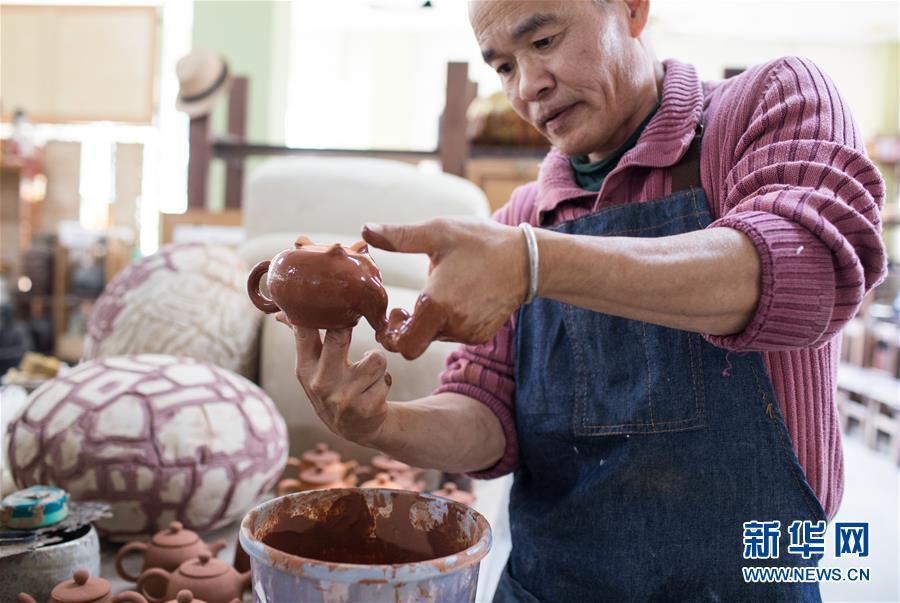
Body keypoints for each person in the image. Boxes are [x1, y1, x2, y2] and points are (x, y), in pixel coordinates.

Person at [279, 1, 886, 600]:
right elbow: (487, 420)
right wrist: (380, 423)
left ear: (632, 9)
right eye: (503, 67)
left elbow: (810, 272)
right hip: (552, 586)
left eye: (542, 42)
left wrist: (535, 263)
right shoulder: (523, 216)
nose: (529, 88)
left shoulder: (768, 103)